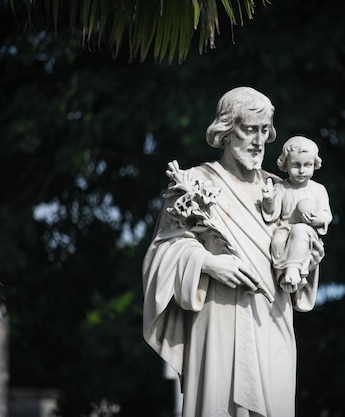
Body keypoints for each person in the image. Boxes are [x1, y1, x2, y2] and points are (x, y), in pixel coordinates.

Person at [142, 87, 321, 417]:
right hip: (218, 319)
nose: (258, 142)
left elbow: (304, 247)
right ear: (225, 130)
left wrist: (305, 255)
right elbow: (162, 251)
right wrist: (208, 263)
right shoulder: (194, 183)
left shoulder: (279, 190)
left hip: (272, 320)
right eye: (249, 129)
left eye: (264, 131)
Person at [261, 136, 332, 293]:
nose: (301, 170)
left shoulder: (318, 189)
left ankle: (294, 269)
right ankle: (282, 275)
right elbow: (273, 213)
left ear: (315, 164)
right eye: (295, 165)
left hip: (307, 234)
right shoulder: (281, 188)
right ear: (285, 164)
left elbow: (326, 214)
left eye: (307, 165)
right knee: (277, 241)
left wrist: (319, 219)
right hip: (285, 230)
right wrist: (268, 200)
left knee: (299, 231)